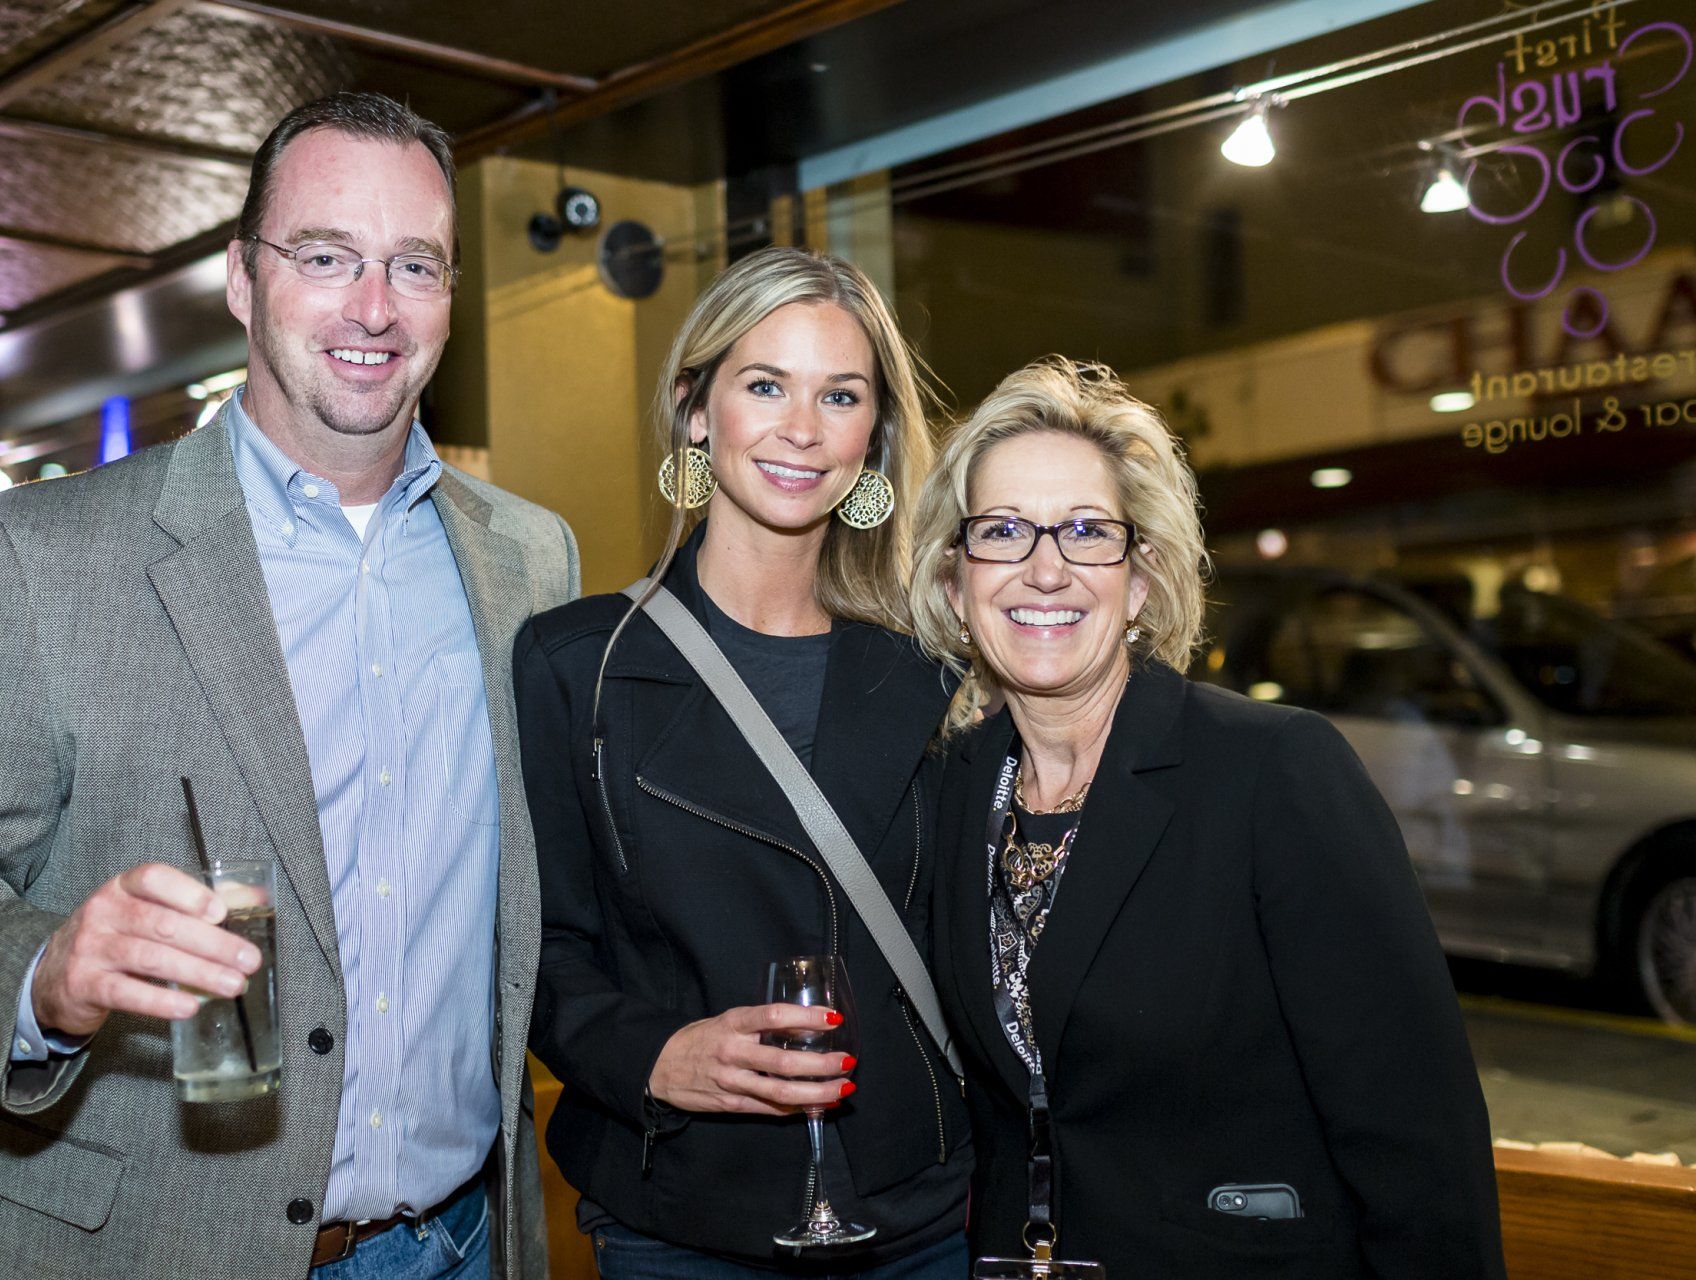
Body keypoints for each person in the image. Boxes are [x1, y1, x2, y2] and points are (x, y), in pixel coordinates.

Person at [0, 92, 575, 1280]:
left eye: (414, 264)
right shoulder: (45, 557)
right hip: (152, 1246)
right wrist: (44, 971)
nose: (373, 306)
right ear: (241, 277)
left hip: (465, 1239)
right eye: (324, 256)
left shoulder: (529, 558)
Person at [909, 357, 1506, 1279]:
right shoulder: (951, 790)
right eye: (1002, 531)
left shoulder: (1275, 771)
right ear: (957, 583)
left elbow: (1420, 1141)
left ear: (1141, 579)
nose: (1045, 568)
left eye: (1086, 531)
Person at [513, 248, 972, 1278]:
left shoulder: (936, 673)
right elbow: (536, 943)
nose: (802, 427)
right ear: (694, 408)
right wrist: (652, 1054)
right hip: (683, 1215)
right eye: (765, 384)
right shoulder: (578, 664)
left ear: (873, 436)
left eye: (840, 395)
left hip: (919, 1217)